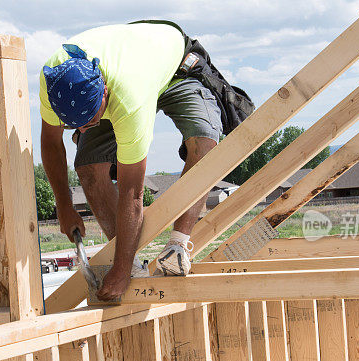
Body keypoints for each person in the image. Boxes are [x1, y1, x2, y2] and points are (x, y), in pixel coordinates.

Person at [39, 22, 225, 301]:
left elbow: (132, 192)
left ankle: (177, 246)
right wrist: (64, 206)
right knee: (88, 165)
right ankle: (134, 262)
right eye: (76, 125)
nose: (87, 128)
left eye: (91, 120)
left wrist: (120, 268)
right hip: (128, 67)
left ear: (103, 93)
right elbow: (52, 143)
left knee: (204, 139)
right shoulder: (55, 82)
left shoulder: (129, 100)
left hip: (175, 71)